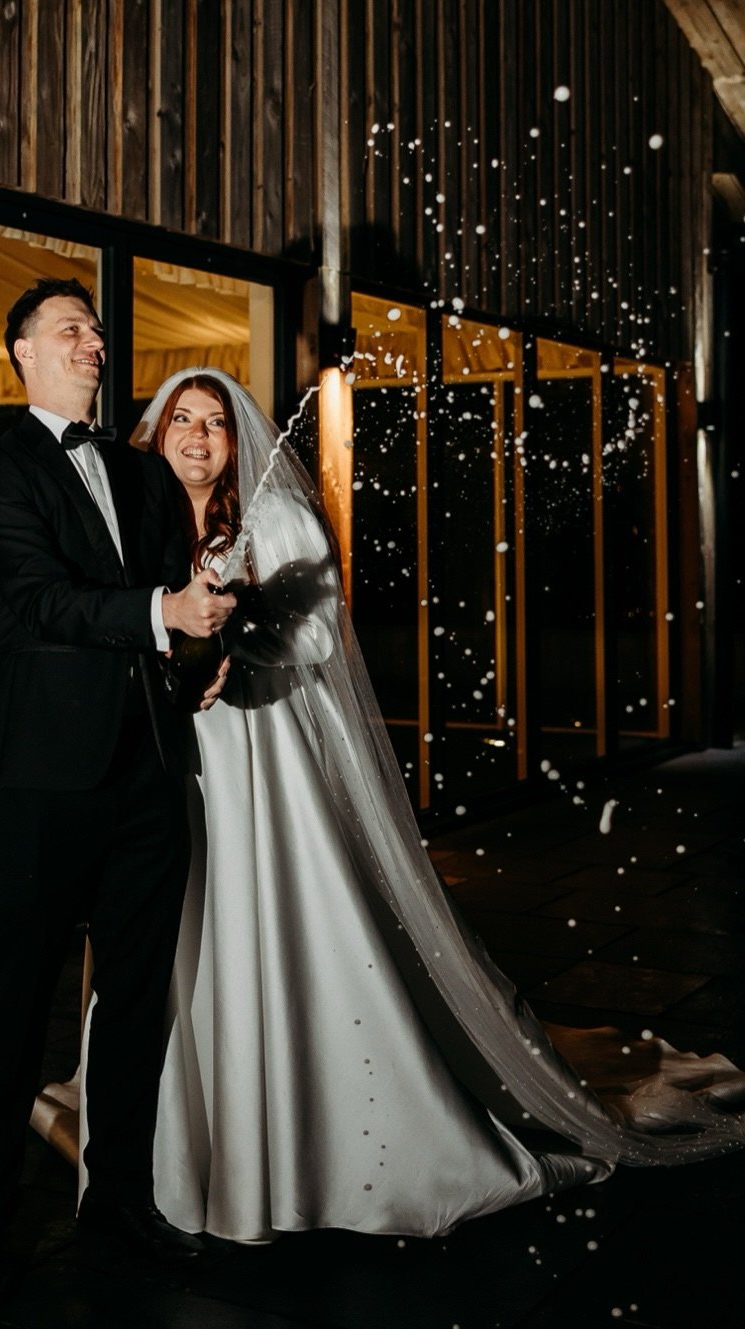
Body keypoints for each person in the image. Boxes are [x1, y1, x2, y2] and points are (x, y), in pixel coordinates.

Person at [108, 367, 745, 1244]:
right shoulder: (142, 520)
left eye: (215, 422)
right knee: (180, 922)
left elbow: (318, 633)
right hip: (177, 754)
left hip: (258, 747)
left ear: (236, 439)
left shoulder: (271, 516)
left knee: (263, 913)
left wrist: (232, 631)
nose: (198, 436)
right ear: (158, 432)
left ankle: (294, 1119)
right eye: (182, 419)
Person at [0, 283, 235, 1299]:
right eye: (70, 327)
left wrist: (203, 655)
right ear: (23, 351)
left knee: (134, 1000)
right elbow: (35, 601)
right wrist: (164, 612)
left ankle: (120, 1198)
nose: (93, 340)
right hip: (39, 773)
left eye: (97, 329)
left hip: (149, 770)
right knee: (16, 998)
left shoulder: (142, 471)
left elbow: (169, 602)